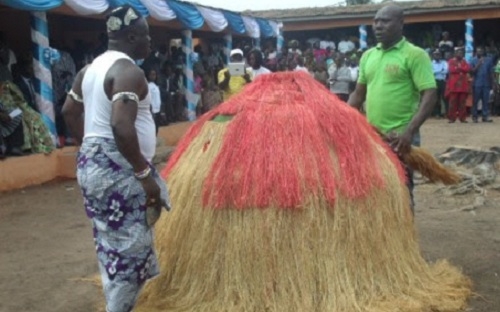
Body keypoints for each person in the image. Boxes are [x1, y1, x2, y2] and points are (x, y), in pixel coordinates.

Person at [61, 6, 169, 312]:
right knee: (131, 253)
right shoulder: (128, 71)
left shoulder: (89, 69)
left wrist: (89, 150)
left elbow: (69, 111)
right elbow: (121, 126)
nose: (150, 42)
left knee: (111, 244)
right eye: (147, 35)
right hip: (120, 173)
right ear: (132, 36)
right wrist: (143, 173)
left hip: (93, 168)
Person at [348, 5, 437, 213]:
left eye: (385, 21)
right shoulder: (368, 56)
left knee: (402, 189)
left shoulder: (415, 55)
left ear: (401, 24)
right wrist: (341, 115)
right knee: (376, 187)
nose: (378, 26)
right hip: (373, 136)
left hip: (400, 137)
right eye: (376, 21)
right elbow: (358, 94)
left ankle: (405, 239)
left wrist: (410, 131)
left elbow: (430, 94)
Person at [470, 47, 494, 122]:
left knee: (485, 100)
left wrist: (492, 83)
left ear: (483, 52)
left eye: (481, 51)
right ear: (476, 52)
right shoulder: (473, 60)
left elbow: (491, 72)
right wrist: (479, 63)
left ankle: (485, 116)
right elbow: (471, 72)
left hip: (486, 83)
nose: (479, 52)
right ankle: (475, 116)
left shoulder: (488, 60)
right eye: (478, 51)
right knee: (475, 101)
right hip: (477, 83)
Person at [446, 48, 470, 123]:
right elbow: (452, 70)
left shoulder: (464, 61)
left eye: (461, 53)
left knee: (462, 103)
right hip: (454, 86)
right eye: (458, 53)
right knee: (452, 103)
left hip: (463, 86)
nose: (460, 54)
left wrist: (459, 68)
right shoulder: (451, 61)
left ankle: (462, 118)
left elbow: (467, 69)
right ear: (455, 54)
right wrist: (462, 69)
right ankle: (451, 118)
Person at [431, 50, 448, 118]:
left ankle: (446, 113)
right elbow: (431, 72)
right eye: (435, 54)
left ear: (440, 55)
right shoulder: (431, 63)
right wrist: (440, 71)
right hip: (435, 81)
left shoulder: (444, 62)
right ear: (433, 56)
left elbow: (446, 71)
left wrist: (436, 71)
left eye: (438, 54)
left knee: (445, 98)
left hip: (442, 81)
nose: (437, 56)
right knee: (436, 98)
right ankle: (437, 113)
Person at [146, 68, 162, 134]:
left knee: (156, 127)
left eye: (154, 75)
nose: (153, 76)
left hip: (157, 109)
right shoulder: (147, 86)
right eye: (151, 75)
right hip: (152, 110)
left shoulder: (156, 86)